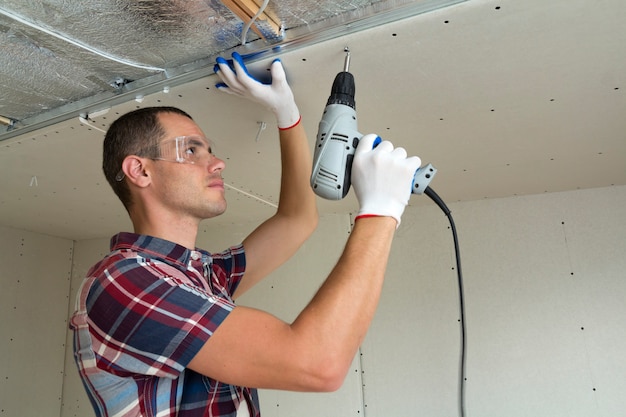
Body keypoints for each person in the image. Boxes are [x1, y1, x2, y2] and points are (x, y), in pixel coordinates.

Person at [70, 51, 421, 417]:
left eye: (210, 150)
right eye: (191, 149)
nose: (217, 162)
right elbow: (318, 364)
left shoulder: (200, 274)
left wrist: (288, 115)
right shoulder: (124, 281)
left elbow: (296, 219)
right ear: (140, 171)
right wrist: (381, 211)